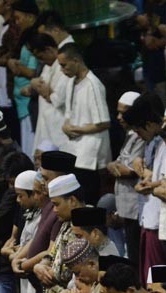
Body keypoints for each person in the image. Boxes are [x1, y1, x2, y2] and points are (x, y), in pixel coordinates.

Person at [56, 43, 111, 203]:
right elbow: (69, 114)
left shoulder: (93, 84)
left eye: (64, 65)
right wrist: (66, 125)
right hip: (75, 150)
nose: (62, 70)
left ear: (76, 61)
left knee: (88, 200)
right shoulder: (71, 83)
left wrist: (77, 129)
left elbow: (103, 122)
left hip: (89, 154)